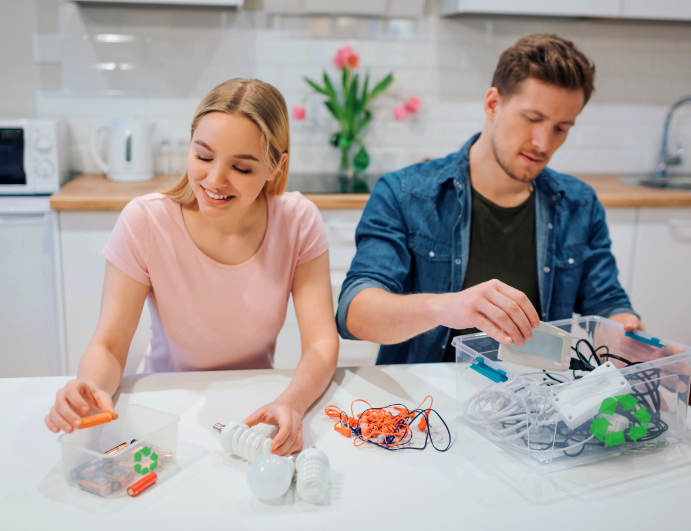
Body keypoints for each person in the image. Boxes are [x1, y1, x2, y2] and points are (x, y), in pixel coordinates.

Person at [45, 79, 339, 455]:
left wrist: (293, 402)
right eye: (203, 156)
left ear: (275, 166)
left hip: (254, 408)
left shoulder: (298, 221)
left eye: (242, 168)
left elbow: (321, 341)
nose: (215, 180)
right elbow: (110, 344)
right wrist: (92, 389)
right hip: (164, 406)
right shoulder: (145, 221)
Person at [337, 33, 642, 364]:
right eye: (533, 119)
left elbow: (606, 302)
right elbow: (354, 312)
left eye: (561, 128)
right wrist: (443, 307)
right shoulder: (405, 193)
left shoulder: (579, 204)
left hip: (534, 403)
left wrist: (631, 336)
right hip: (428, 402)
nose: (543, 143)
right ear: (493, 104)